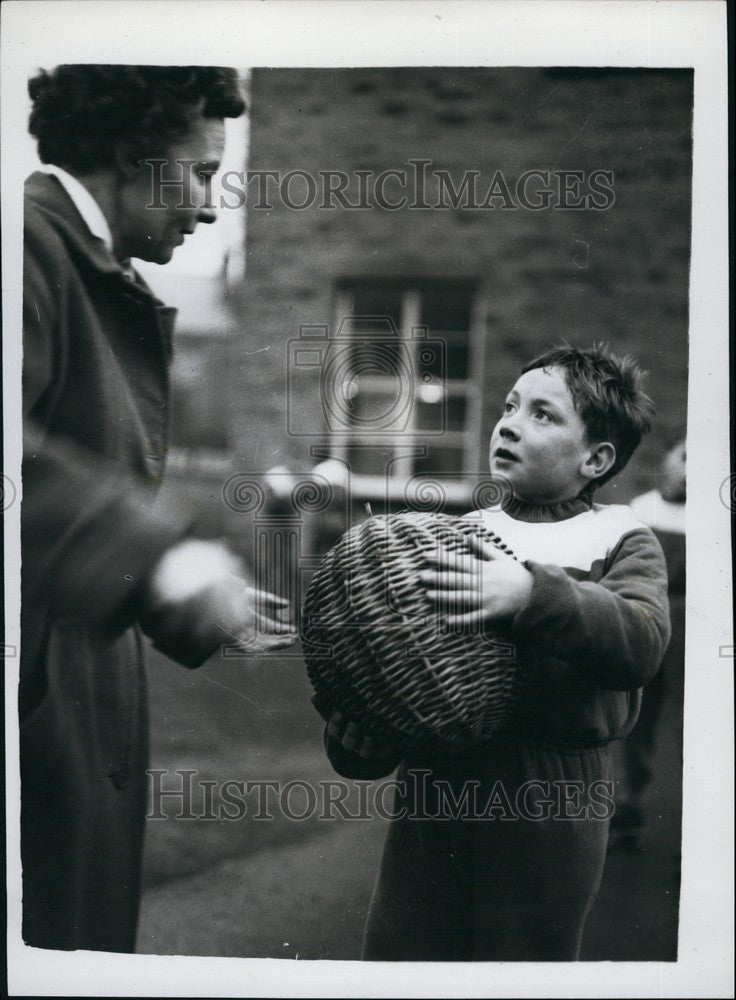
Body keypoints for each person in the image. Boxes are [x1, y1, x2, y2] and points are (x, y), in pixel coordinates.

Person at [20, 65, 295, 953]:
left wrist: (184, 603)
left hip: (77, 689)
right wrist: (168, 562)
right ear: (133, 155)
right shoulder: (23, 247)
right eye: (203, 172)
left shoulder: (83, 265)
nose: (211, 208)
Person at [322, 344, 671, 960]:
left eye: (542, 414)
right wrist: (362, 743)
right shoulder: (459, 532)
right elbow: (405, 665)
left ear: (596, 458)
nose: (508, 424)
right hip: (436, 787)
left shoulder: (621, 536)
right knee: (404, 954)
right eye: (510, 407)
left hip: (551, 795)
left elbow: (641, 641)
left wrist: (534, 594)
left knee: (520, 963)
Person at [609, 436, 686, 848]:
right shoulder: (642, 510)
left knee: (686, 722)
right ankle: (630, 806)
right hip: (649, 618)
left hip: (692, 626)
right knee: (638, 713)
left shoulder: (711, 518)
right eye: (685, 457)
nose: (690, 471)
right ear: (667, 459)